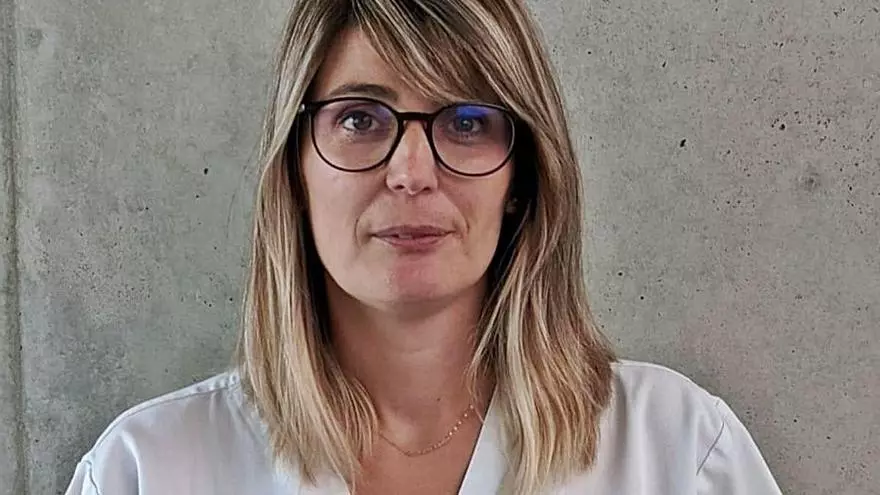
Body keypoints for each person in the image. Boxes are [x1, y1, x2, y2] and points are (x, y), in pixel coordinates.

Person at [65, 0, 783, 493]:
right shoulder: (148, 470)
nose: (411, 172)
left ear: (521, 177)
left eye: (467, 122)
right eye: (359, 119)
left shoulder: (678, 454)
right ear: (295, 171)